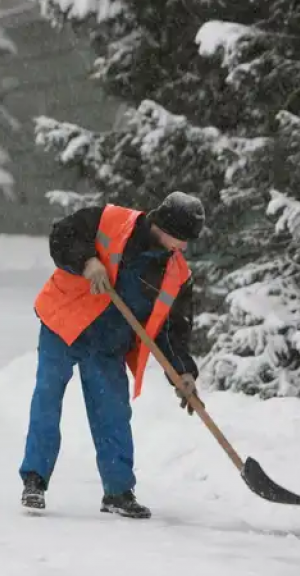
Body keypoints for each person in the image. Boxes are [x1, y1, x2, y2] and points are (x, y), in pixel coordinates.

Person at [19, 192, 206, 519]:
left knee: (113, 413)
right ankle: (35, 479)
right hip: (65, 322)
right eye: (181, 238)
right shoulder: (112, 221)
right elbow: (63, 234)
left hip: (108, 342)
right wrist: (87, 261)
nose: (184, 247)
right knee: (48, 397)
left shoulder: (176, 274)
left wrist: (183, 372)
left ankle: (119, 492)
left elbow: (172, 329)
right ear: (162, 225)